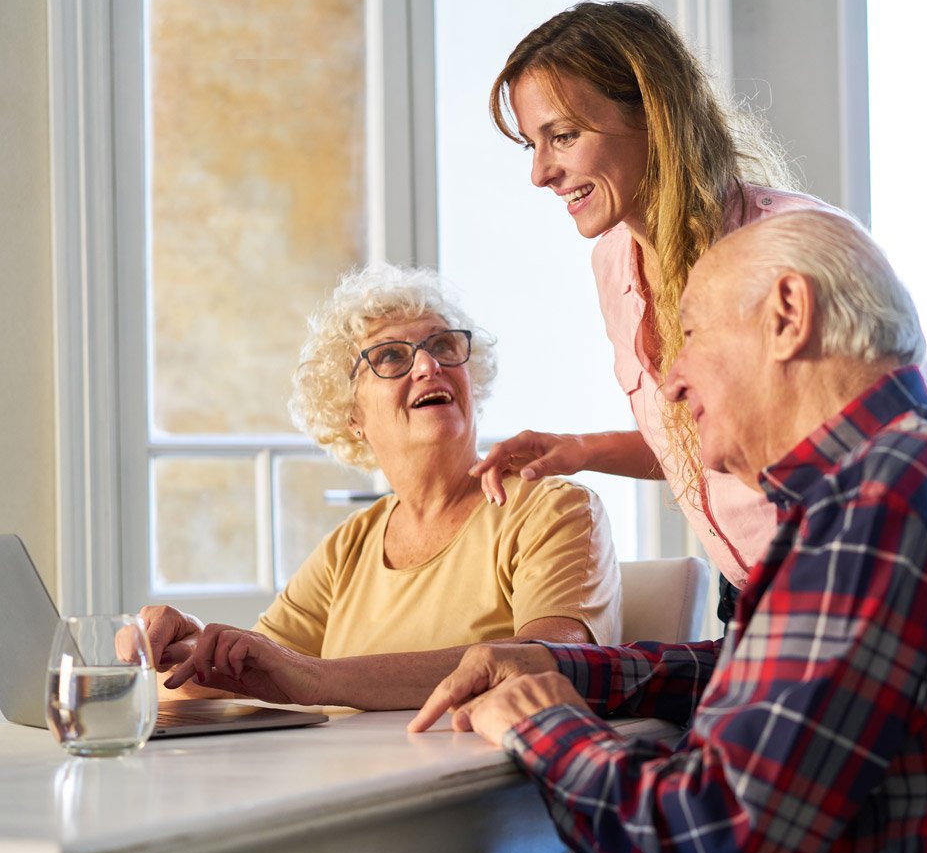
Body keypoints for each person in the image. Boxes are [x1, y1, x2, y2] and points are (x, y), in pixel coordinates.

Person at [399, 210, 927, 853]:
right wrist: (566, 668)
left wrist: (543, 724)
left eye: (689, 334)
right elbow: (783, 676)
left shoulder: (884, 499)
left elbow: (713, 836)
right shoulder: (919, 471)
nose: (673, 380)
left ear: (788, 314)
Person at [471, 1, 841, 623]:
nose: (540, 173)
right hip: (751, 602)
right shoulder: (614, 261)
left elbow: (874, 457)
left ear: (656, 115)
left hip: (843, 592)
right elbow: (707, 442)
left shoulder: (794, 249)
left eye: (563, 136)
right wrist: (583, 448)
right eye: (532, 144)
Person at [139, 263, 620, 709]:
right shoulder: (349, 545)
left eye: (443, 346)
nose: (428, 366)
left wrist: (318, 679)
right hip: (347, 782)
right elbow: (256, 674)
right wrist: (183, 648)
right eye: (391, 355)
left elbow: (555, 661)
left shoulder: (553, 509)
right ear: (352, 415)